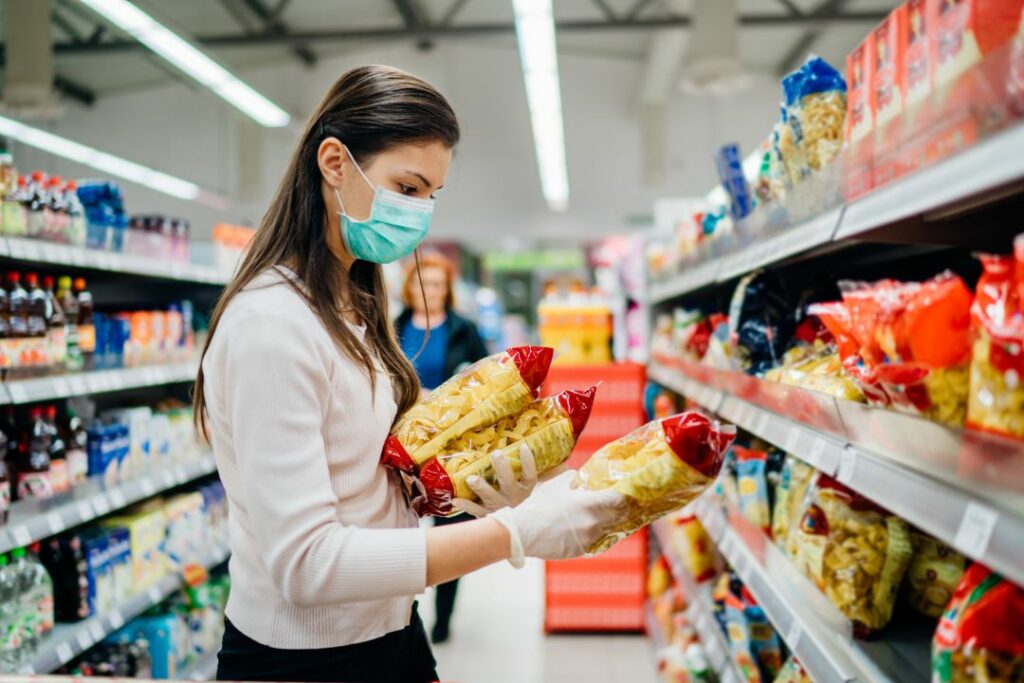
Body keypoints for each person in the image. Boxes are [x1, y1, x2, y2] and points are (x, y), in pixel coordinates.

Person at [193, 65, 625, 683]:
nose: (420, 214)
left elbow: (361, 478)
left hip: (391, 635)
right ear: (334, 163)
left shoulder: (349, 304)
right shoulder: (271, 326)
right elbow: (308, 565)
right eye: (407, 186)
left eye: (431, 196)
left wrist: (468, 482)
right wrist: (515, 533)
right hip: (303, 663)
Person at [395, 253, 487, 644]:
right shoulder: (392, 326)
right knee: (400, 529)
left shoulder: (464, 330)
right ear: (409, 288)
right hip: (402, 444)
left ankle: (443, 617)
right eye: (421, 283)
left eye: (436, 284)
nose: (428, 291)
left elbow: (486, 380)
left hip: (451, 446)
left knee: (449, 529)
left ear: (446, 290)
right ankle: (403, 611)